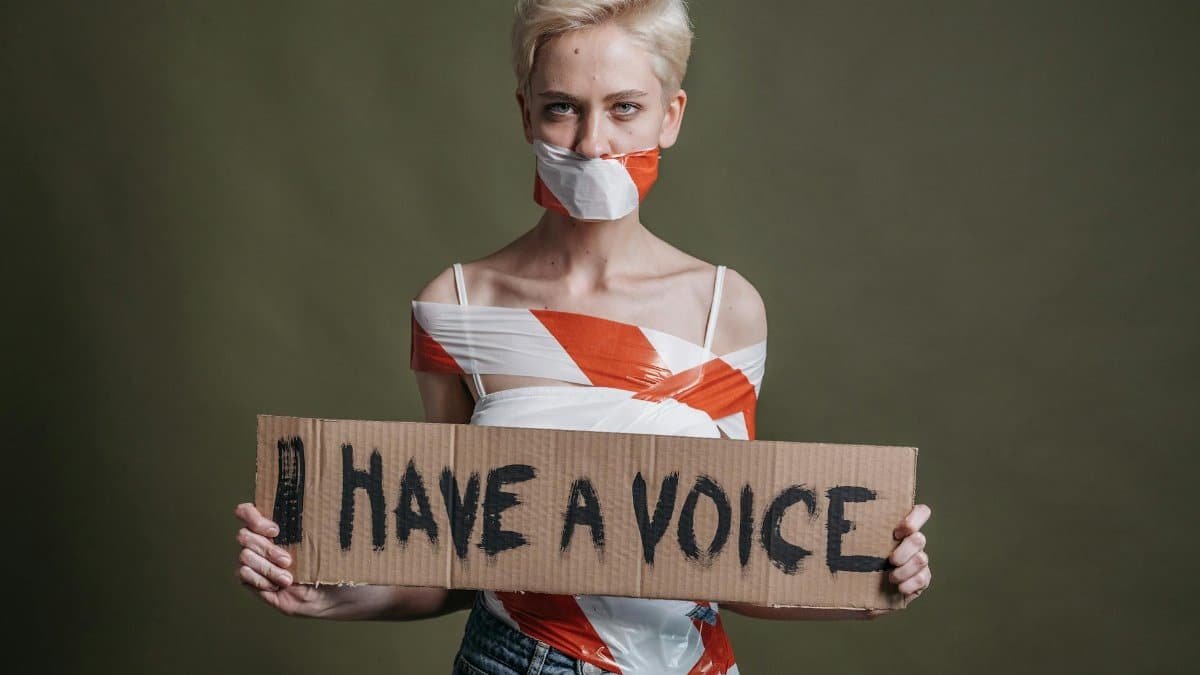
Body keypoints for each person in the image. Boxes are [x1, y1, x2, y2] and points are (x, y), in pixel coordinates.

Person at [233, 1, 933, 672]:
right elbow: (456, 559)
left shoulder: (727, 309)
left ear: (671, 115)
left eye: (625, 108)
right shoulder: (457, 304)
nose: (594, 143)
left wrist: (868, 582)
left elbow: (737, 562)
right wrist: (344, 594)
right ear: (526, 115)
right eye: (562, 107)